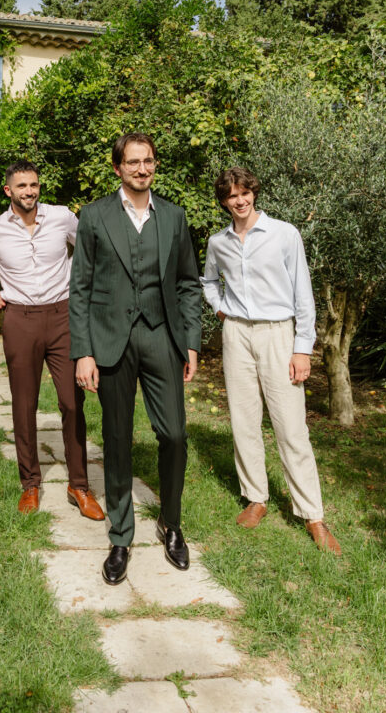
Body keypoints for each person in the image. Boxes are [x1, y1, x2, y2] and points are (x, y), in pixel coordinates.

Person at [69, 133, 201, 585]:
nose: (142, 169)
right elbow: (80, 289)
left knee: (175, 435)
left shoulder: (174, 216)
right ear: (117, 168)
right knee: (117, 438)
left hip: (162, 337)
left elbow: (188, 283)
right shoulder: (94, 216)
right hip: (110, 340)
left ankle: (171, 523)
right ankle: (121, 536)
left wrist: (191, 342)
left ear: (155, 164)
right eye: (132, 162)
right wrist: (83, 351)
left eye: (148, 161)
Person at [201, 166, 340, 555]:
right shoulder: (219, 243)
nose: (239, 201)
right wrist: (220, 308)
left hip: (279, 334)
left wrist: (302, 348)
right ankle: (256, 498)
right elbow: (208, 282)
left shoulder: (284, 234)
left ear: (254, 193)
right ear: (224, 201)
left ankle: (312, 515)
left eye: (244, 193)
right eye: (231, 196)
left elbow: (303, 293)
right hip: (237, 335)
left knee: (291, 427)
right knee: (244, 420)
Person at [0, 160, 104, 520]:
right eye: (22, 186)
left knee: (72, 402)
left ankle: (79, 485)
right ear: (8, 190)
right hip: (20, 319)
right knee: (24, 405)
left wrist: (83, 290)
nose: (29, 191)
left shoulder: (62, 218)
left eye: (34, 185)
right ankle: (30, 484)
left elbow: (89, 250)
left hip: (63, 317)